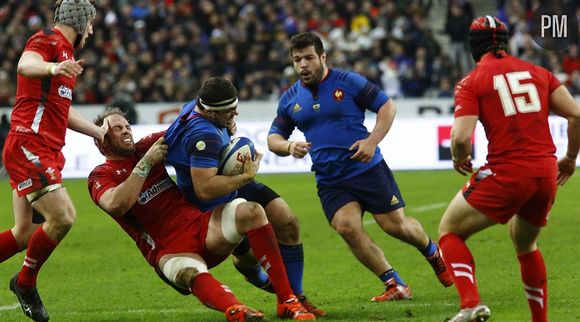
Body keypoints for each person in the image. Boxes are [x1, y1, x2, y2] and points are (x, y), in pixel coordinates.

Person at [267, 32, 453, 302]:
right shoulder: (290, 99)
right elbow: (273, 138)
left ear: (322, 56)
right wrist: (288, 147)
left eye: (308, 58)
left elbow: (387, 107)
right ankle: (395, 284)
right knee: (346, 227)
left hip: (367, 170)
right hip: (330, 179)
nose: (303, 65)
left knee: (395, 226)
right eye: (297, 60)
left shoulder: (348, 82)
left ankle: (432, 252)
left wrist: (371, 141)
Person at [88, 108, 316, 321]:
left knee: (251, 211)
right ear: (101, 140)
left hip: (201, 226)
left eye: (127, 126)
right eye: (117, 128)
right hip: (168, 249)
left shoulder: (146, 146)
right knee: (190, 272)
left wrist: (221, 121)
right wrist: (147, 163)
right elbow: (117, 204)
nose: (126, 130)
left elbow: (188, 127)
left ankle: (287, 301)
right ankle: (235, 309)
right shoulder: (100, 176)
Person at [437, 16, 580, 322]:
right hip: (545, 174)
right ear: (504, 41)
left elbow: (461, 138)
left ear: (474, 46)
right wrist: (569, 158)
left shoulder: (472, 81)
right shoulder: (540, 73)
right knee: (526, 243)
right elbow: (577, 115)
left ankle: (470, 303)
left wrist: (458, 158)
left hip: (507, 174)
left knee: (449, 232)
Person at [163, 77, 326, 317]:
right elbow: (204, 189)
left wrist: (226, 126)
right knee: (250, 258)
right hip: (213, 201)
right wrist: (245, 176)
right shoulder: (203, 137)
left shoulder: (196, 105)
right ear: (208, 112)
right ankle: (254, 275)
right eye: (229, 112)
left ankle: (295, 298)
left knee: (287, 220)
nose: (236, 113)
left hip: (229, 183)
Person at [0, 1, 103, 321]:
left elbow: (62, 110)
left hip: (42, 150)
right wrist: (51, 68)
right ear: (82, 20)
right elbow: (25, 63)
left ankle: (24, 280)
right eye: (90, 25)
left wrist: (97, 132)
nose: (90, 32)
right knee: (63, 216)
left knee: (24, 234)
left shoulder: (66, 57)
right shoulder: (47, 41)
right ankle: (25, 283)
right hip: (30, 145)